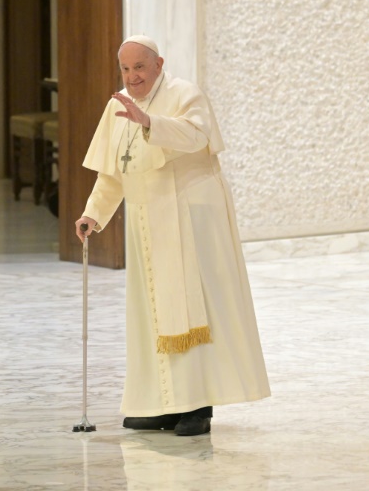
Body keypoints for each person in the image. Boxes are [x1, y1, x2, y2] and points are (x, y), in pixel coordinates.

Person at [75, 35, 271, 436]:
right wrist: (93, 213)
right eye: (125, 69)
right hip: (146, 223)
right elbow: (115, 170)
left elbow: (196, 136)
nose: (132, 76)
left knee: (193, 308)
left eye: (139, 67)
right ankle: (165, 404)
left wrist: (150, 123)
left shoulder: (185, 94)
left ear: (159, 64)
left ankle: (198, 406)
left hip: (188, 219)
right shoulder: (117, 106)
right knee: (151, 314)